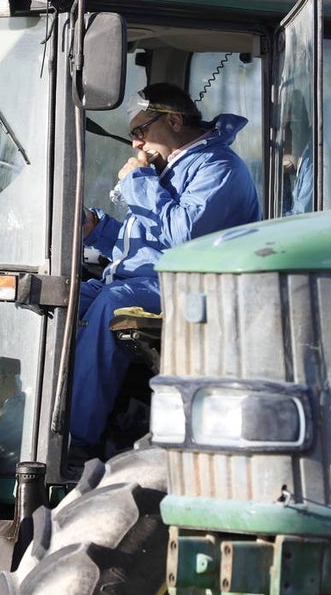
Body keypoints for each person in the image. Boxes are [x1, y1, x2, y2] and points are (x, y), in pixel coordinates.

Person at [70, 83, 261, 465]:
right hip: (151, 281)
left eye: (140, 132)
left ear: (173, 120)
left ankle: (75, 440)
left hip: (195, 289)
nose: (136, 145)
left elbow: (184, 234)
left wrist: (138, 183)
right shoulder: (172, 170)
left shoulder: (218, 167)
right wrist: (98, 228)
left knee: (110, 303)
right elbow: (148, 245)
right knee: (62, 300)